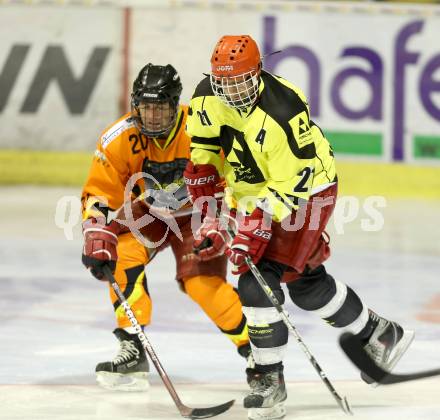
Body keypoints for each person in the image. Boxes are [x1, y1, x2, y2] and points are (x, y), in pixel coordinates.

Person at [183, 35, 414, 419]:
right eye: (225, 83)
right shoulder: (207, 97)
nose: (232, 92)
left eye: (241, 82)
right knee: (305, 285)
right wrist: (209, 205)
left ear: (257, 73)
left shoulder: (283, 110)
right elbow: (203, 149)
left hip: (307, 191)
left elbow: (296, 181)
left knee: (257, 279)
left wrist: (254, 223)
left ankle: (269, 378)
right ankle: (379, 333)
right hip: (257, 190)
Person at [80, 63, 251, 391]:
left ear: (176, 105)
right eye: (146, 107)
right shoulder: (118, 137)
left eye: (160, 107)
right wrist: (97, 230)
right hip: (151, 212)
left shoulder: (204, 129)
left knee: (202, 284)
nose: (152, 116)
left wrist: (224, 221)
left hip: (202, 213)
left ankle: (258, 351)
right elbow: (100, 190)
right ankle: (132, 346)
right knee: (122, 252)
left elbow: (236, 178)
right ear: (135, 105)